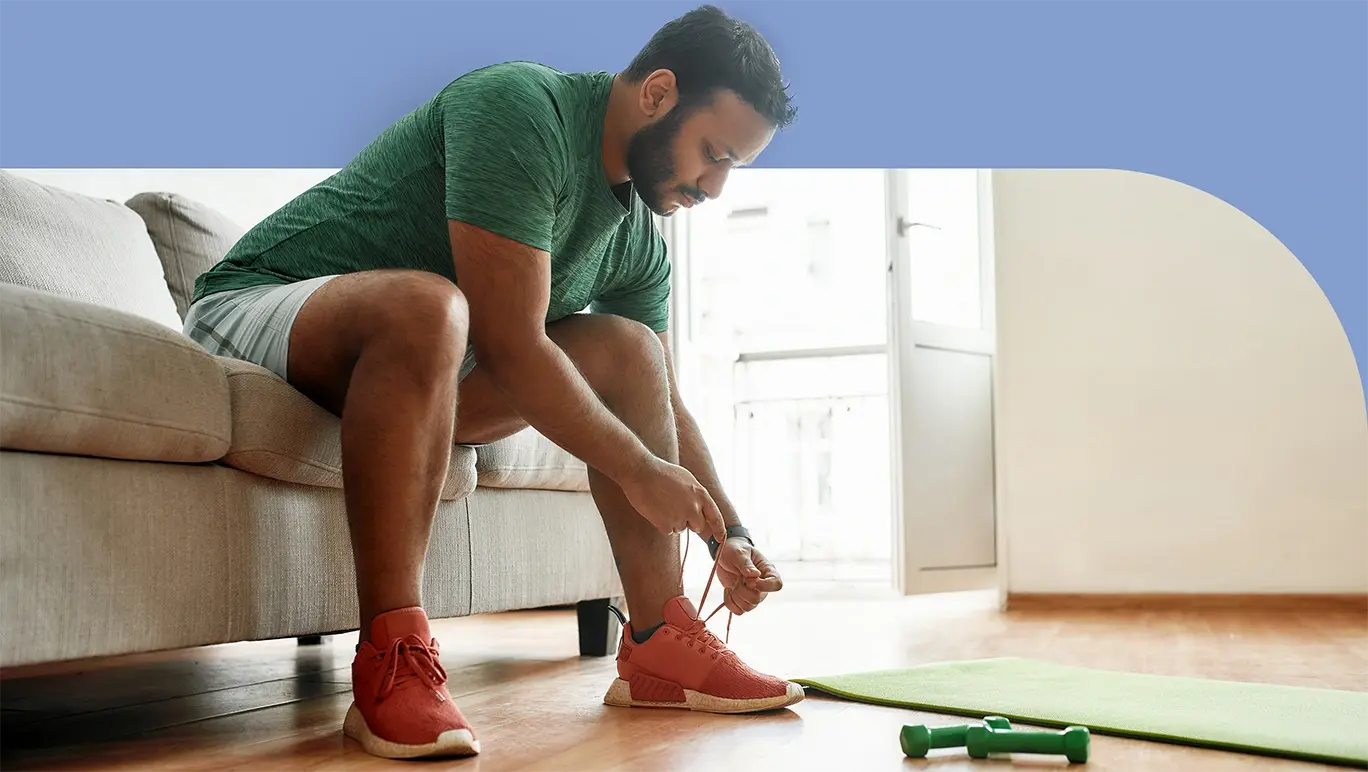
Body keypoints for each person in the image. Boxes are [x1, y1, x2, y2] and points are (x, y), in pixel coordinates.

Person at [183, 4, 800, 760]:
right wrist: (638, 470)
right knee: (429, 306)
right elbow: (510, 346)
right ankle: (392, 659)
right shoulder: (522, 107)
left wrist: (727, 534)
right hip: (264, 304)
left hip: (429, 364)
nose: (714, 187)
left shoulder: (636, 239)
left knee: (632, 350)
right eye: (713, 153)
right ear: (657, 93)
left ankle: (659, 645)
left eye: (732, 166)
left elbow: (663, 399)